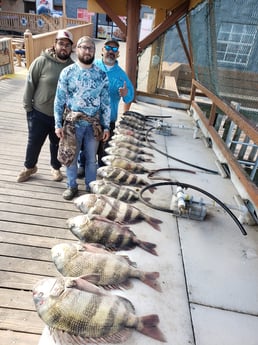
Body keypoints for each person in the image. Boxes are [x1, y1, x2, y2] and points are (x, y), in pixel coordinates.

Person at [54, 36, 110, 200]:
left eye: (90, 48)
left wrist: (106, 126)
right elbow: (59, 100)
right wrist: (58, 124)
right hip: (73, 125)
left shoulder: (101, 75)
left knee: (92, 160)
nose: (87, 51)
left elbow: (106, 103)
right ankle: (71, 186)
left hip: (93, 126)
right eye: (84, 47)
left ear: (94, 51)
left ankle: (91, 187)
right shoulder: (67, 72)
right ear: (77, 49)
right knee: (71, 158)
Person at [17, 30, 74, 183]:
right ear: (54, 45)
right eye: (61, 43)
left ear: (71, 48)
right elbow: (30, 84)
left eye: (67, 45)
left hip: (60, 116)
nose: (64, 47)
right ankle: (29, 167)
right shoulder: (41, 61)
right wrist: (28, 108)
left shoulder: (73, 68)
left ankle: (55, 168)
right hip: (39, 112)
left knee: (56, 143)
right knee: (34, 142)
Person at [77, 38, 134, 177]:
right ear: (102, 50)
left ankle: (102, 170)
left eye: (115, 49)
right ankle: (82, 165)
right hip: (89, 117)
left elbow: (130, 97)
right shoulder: (91, 65)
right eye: (108, 48)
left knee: (104, 149)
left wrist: (126, 94)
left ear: (118, 54)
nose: (111, 51)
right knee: (85, 146)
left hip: (108, 120)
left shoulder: (121, 75)